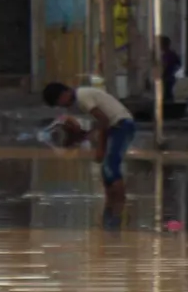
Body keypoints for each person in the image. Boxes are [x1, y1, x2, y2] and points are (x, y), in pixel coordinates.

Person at [43, 82, 137, 212]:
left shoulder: (82, 97)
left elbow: (104, 120)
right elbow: (97, 124)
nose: (62, 105)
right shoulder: (80, 100)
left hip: (121, 125)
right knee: (106, 170)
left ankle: (120, 204)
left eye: (60, 102)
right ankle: (110, 204)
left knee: (111, 166)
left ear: (65, 93)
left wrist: (100, 148)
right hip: (115, 127)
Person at [159, 36, 181, 105]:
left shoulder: (167, 55)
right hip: (171, 77)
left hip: (168, 78)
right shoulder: (172, 54)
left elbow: (165, 67)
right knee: (169, 94)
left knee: (167, 95)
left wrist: (161, 76)